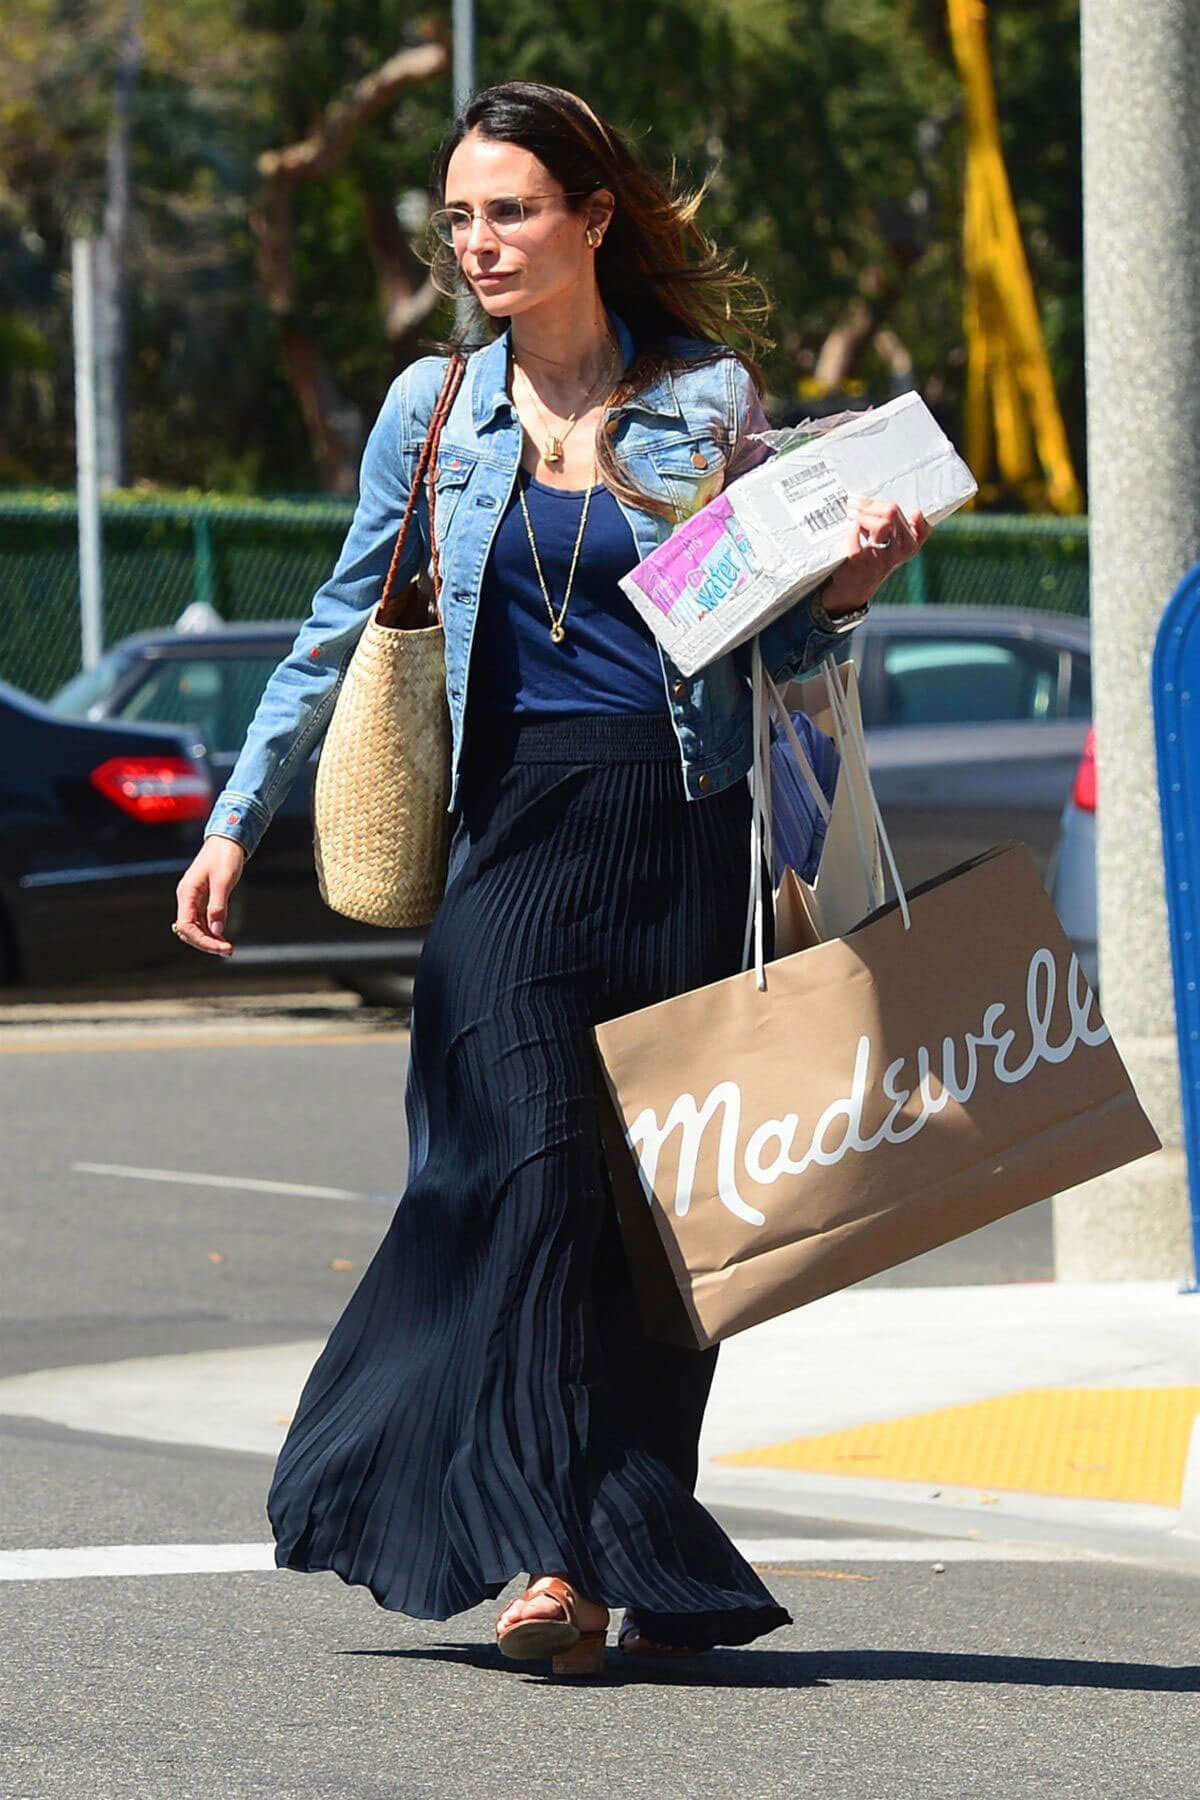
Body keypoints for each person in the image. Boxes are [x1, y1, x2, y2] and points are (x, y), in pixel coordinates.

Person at [173, 81, 930, 1676]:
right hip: (511, 852)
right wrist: (238, 815)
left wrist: (849, 584)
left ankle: (617, 1550)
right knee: (521, 1178)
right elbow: (332, 626)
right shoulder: (432, 412)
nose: (476, 243)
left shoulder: (708, 400)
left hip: (679, 843)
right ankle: (539, 1551)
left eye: (508, 210)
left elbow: (771, 633)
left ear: (593, 217)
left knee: (655, 1231)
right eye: (457, 217)